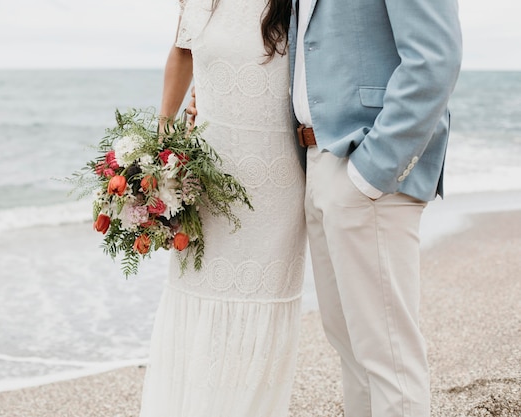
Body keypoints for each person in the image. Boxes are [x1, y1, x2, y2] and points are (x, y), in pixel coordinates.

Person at [290, 0, 463, 415]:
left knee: (389, 359)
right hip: (317, 159)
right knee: (351, 346)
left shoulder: (368, 173)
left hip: (365, 163)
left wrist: (372, 172)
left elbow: (436, 58)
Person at [138, 0, 306, 416]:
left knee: (261, 311)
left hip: (277, 183)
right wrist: (163, 141)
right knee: (197, 299)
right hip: (209, 175)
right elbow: (182, 51)